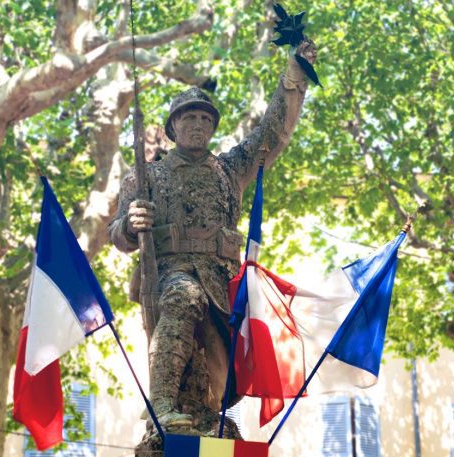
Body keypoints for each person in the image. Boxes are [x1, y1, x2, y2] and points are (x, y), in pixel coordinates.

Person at [109, 40, 318, 428]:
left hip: (223, 283)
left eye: (206, 119)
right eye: (189, 118)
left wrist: (295, 76)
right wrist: (130, 222)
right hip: (172, 274)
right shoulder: (146, 175)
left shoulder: (230, 169)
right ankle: (162, 405)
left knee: (218, 370)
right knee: (183, 297)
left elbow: (272, 132)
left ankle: (205, 415)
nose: (198, 124)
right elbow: (118, 235)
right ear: (173, 127)